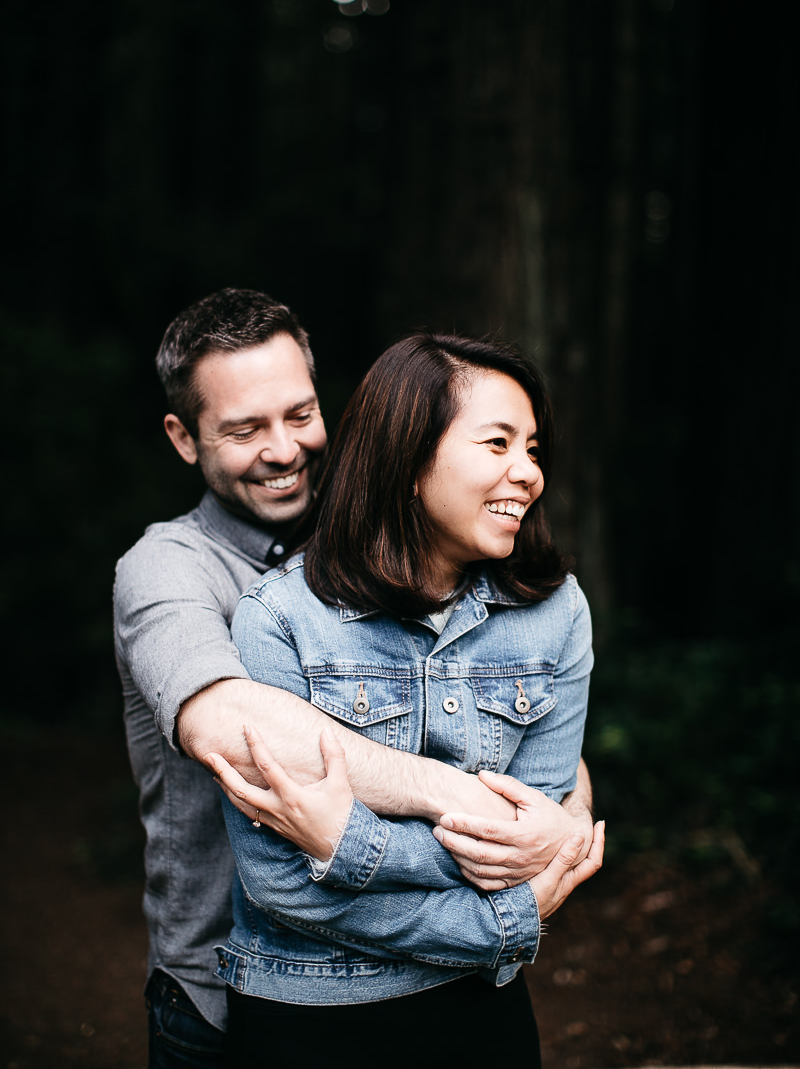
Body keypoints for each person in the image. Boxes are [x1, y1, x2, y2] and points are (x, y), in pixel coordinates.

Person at [114, 291, 595, 1069]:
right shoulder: (166, 573)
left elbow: (525, 744)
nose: (282, 449)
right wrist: (468, 809)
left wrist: (563, 813)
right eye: (244, 429)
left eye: (299, 414)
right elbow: (233, 728)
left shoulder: (397, 543)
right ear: (182, 436)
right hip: (225, 987)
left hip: (446, 997)